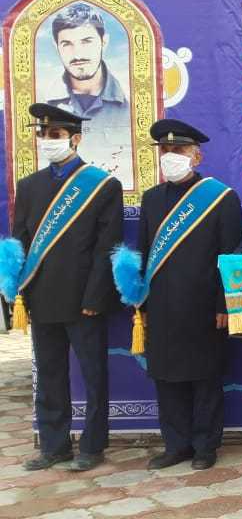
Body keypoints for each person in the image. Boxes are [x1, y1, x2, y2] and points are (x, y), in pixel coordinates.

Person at [12, 103, 123, 472]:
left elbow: (107, 247)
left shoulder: (103, 186)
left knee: (93, 376)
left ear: (75, 139)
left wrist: (95, 296)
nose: (47, 140)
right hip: (41, 297)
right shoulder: (28, 187)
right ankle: (54, 446)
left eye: (55, 134)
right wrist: (20, 290)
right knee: (49, 376)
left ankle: (93, 446)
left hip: (83, 300)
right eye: (42, 134)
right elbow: (21, 243)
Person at [137, 120, 242, 470]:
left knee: (205, 378)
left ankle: (205, 446)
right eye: (165, 150)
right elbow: (144, 253)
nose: (170, 155)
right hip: (162, 305)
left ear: (196, 157)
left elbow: (231, 255)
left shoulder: (221, 198)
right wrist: (142, 302)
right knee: (166, 378)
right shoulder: (151, 199)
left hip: (203, 305)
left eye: (179, 150)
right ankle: (176, 445)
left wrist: (224, 303)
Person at [42, 3, 130, 180]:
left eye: (86, 41)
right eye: (67, 44)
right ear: (56, 46)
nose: (78, 55)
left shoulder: (133, 105)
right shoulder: (43, 104)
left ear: (104, 42)